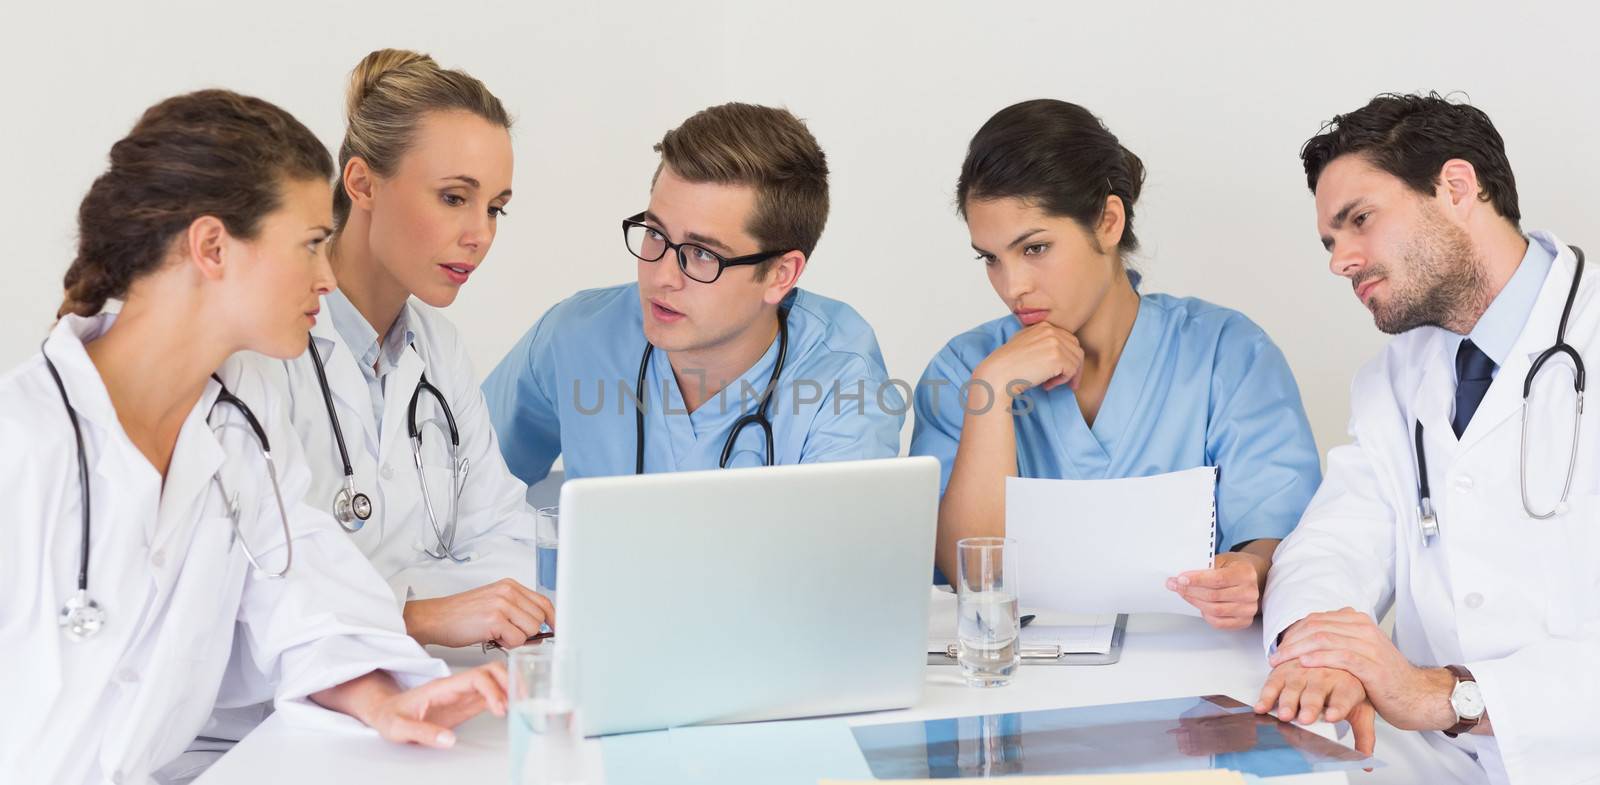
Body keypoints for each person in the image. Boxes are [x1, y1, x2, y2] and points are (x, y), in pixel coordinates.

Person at [0, 89, 505, 785]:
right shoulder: (22, 441)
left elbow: (302, 599)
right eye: (309, 245)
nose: (327, 277)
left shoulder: (244, 421)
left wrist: (386, 702)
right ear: (212, 246)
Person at [1257, 92, 1600, 785]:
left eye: (1359, 221)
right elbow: (1331, 541)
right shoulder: (1395, 377)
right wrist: (1320, 651)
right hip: (1429, 759)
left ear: (1456, 186)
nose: (1340, 260)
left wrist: (1445, 695)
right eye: (1330, 240)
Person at [911, 99, 1321, 630]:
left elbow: (1277, 532)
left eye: (1034, 248)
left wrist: (1251, 569)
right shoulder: (964, 368)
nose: (1012, 286)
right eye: (990, 258)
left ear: (1107, 222)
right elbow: (969, 578)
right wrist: (991, 394)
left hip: (1197, 685)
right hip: (1018, 688)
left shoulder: (1225, 351)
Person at [244, 49, 550, 650]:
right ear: (361, 183)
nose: (480, 235)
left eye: (495, 209)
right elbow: (255, 584)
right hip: (266, 719)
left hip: (403, 692)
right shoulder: (262, 344)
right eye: (454, 198)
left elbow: (498, 529)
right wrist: (416, 614)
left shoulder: (436, 350)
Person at [482, 102, 901, 481]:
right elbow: (459, 494)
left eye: (702, 255)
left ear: (780, 275)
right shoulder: (575, 336)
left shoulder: (841, 376)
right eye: (656, 234)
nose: (662, 275)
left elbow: (836, 561)